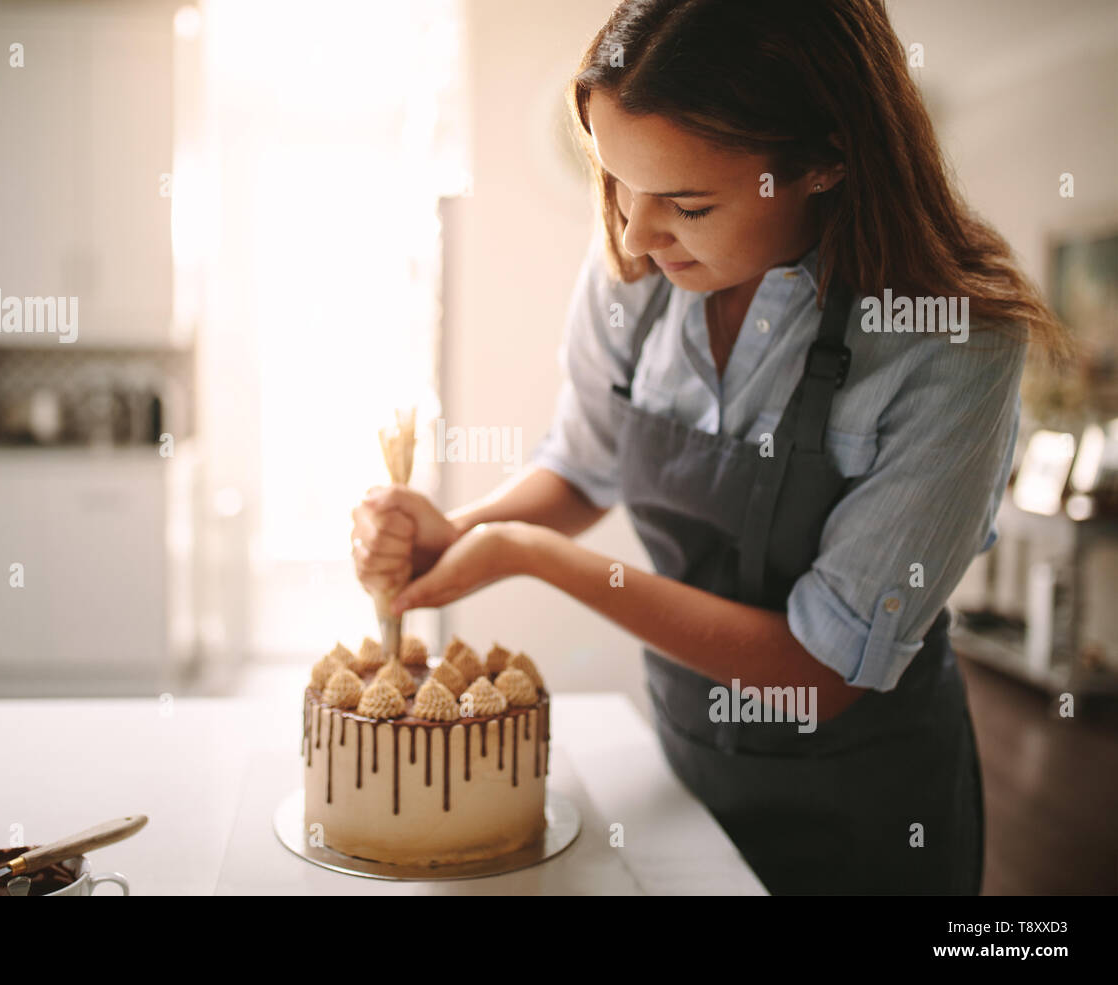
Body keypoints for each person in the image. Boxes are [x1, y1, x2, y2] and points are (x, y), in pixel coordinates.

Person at [350, 0, 1066, 894]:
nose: (633, 236)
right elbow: (583, 464)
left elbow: (824, 663)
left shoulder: (951, 343)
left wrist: (529, 557)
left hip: (866, 806)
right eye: (613, 183)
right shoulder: (640, 265)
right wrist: (450, 531)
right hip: (687, 759)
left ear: (827, 162)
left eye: (686, 204)